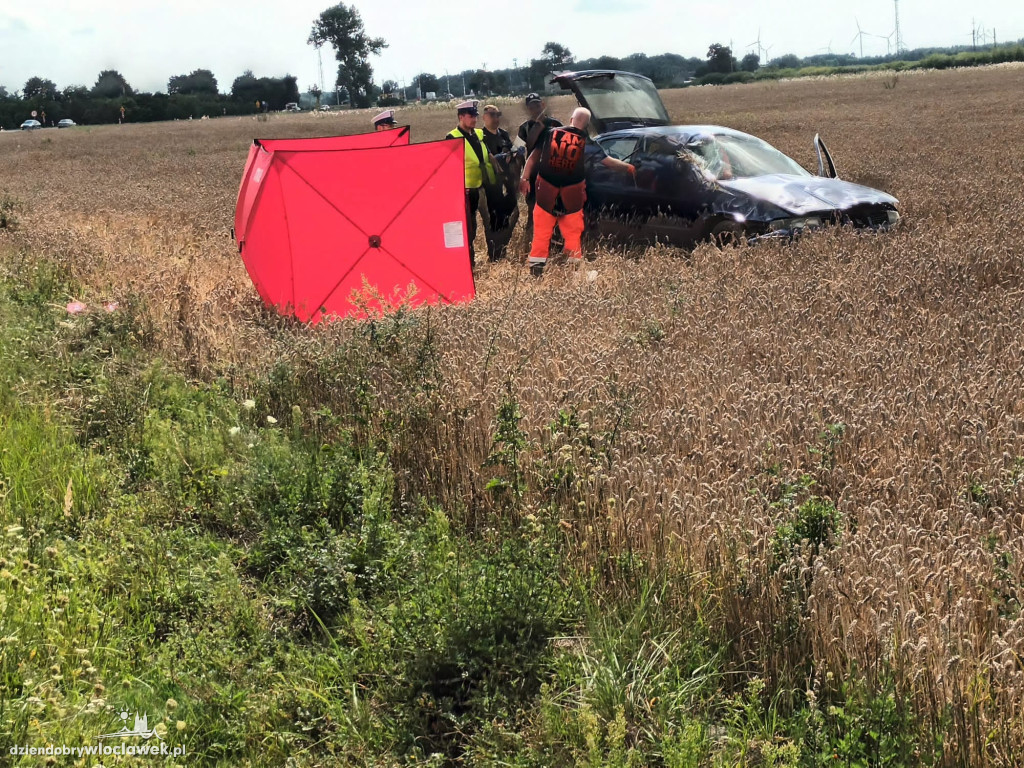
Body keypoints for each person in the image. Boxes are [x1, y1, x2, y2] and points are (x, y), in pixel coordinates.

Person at [519, 107, 635, 276]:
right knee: (573, 237)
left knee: (541, 235)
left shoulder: (550, 133)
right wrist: (629, 167)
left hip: (546, 195)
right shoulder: (587, 142)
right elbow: (609, 163)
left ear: (571, 118)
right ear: (587, 125)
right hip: (571, 199)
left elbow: (533, 157)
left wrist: (524, 178)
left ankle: (536, 272)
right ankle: (574, 272)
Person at [446, 100, 499, 265]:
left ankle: (495, 257)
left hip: (484, 186)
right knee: (470, 229)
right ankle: (469, 263)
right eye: (471, 116)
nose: (475, 119)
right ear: (461, 117)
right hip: (467, 191)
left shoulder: (478, 134)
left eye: (476, 116)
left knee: (491, 223)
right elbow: (448, 167)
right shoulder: (452, 137)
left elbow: (489, 155)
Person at [517, 93, 562, 239]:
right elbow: (518, 149)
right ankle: (530, 237)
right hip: (533, 173)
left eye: (537, 104)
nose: (535, 108)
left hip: (553, 172)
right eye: (532, 106)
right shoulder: (524, 127)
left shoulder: (556, 124)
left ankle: (554, 237)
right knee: (532, 207)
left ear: (542, 104)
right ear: (528, 108)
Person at [480, 104, 521, 260]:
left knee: (511, 215)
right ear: (484, 117)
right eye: (491, 115)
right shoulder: (481, 137)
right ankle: (495, 254)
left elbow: (511, 151)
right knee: (494, 220)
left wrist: (514, 155)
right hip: (490, 184)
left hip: (507, 183)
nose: (495, 118)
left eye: (498, 115)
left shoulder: (503, 134)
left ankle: (502, 248)